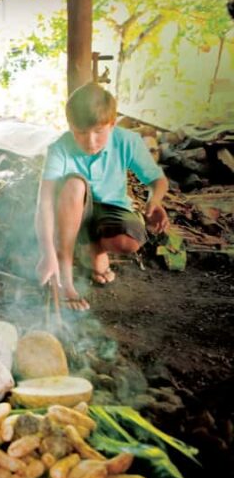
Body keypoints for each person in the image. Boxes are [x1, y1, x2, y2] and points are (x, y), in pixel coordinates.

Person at [34, 82, 169, 310]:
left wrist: (154, 200)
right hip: (70, 210)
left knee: (128, 241)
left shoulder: (128, 141)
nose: (90, 141)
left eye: (99, 131)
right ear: (70, 126)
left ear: (112, 124)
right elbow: (45, 202)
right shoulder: (59, 148)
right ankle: (65, 275)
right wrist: (47, 253)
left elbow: (158, 180)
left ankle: (93, 248)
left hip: (110, 209)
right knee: (75, 185)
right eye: (81, 133)